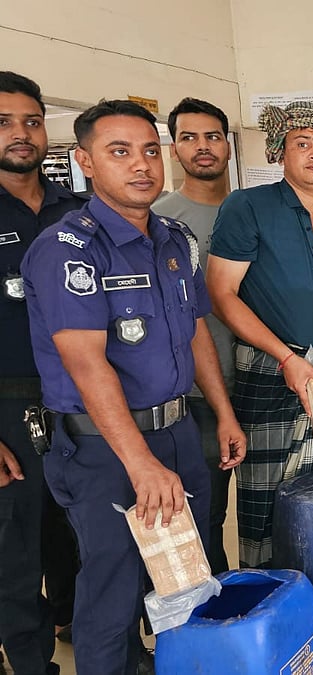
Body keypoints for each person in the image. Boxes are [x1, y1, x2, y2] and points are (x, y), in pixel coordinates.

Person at [22, 98, 245, 675]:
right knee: (113, 589)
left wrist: (221, 413)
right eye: (119, 152)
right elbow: (87, 365)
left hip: (176, 429)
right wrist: (141, 464)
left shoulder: (173, 240)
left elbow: (196, 332)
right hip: (103, 448)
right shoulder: (68, 250)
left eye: (149, 151)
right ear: (85, 162)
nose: (141, 165)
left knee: (184, 576)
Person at [207, 100, 313, 568]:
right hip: (269, 374)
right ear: (281, 153)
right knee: (267, 501)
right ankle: (276, 604)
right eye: (303, 144)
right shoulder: (249, 207)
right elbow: (222, 294)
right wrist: (286, 358)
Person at [0, 70, 84, 675]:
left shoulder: (76, 210)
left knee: (86, 538)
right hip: (9, 405)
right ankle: (33, 664)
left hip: (82, 402)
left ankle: (94, 638)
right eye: (3, 122)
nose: (21, 134)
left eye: (31, 120)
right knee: (16, 552)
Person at [153, 97, 238, 574]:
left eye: (212, 136)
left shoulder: (253, 211)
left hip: (264, 378)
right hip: (196, 393)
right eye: (189, 137)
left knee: (275, 502)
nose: (202, 147)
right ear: (173, 148)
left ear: (227, 144)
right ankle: (216, 608)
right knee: (205, 511)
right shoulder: (160, 219)